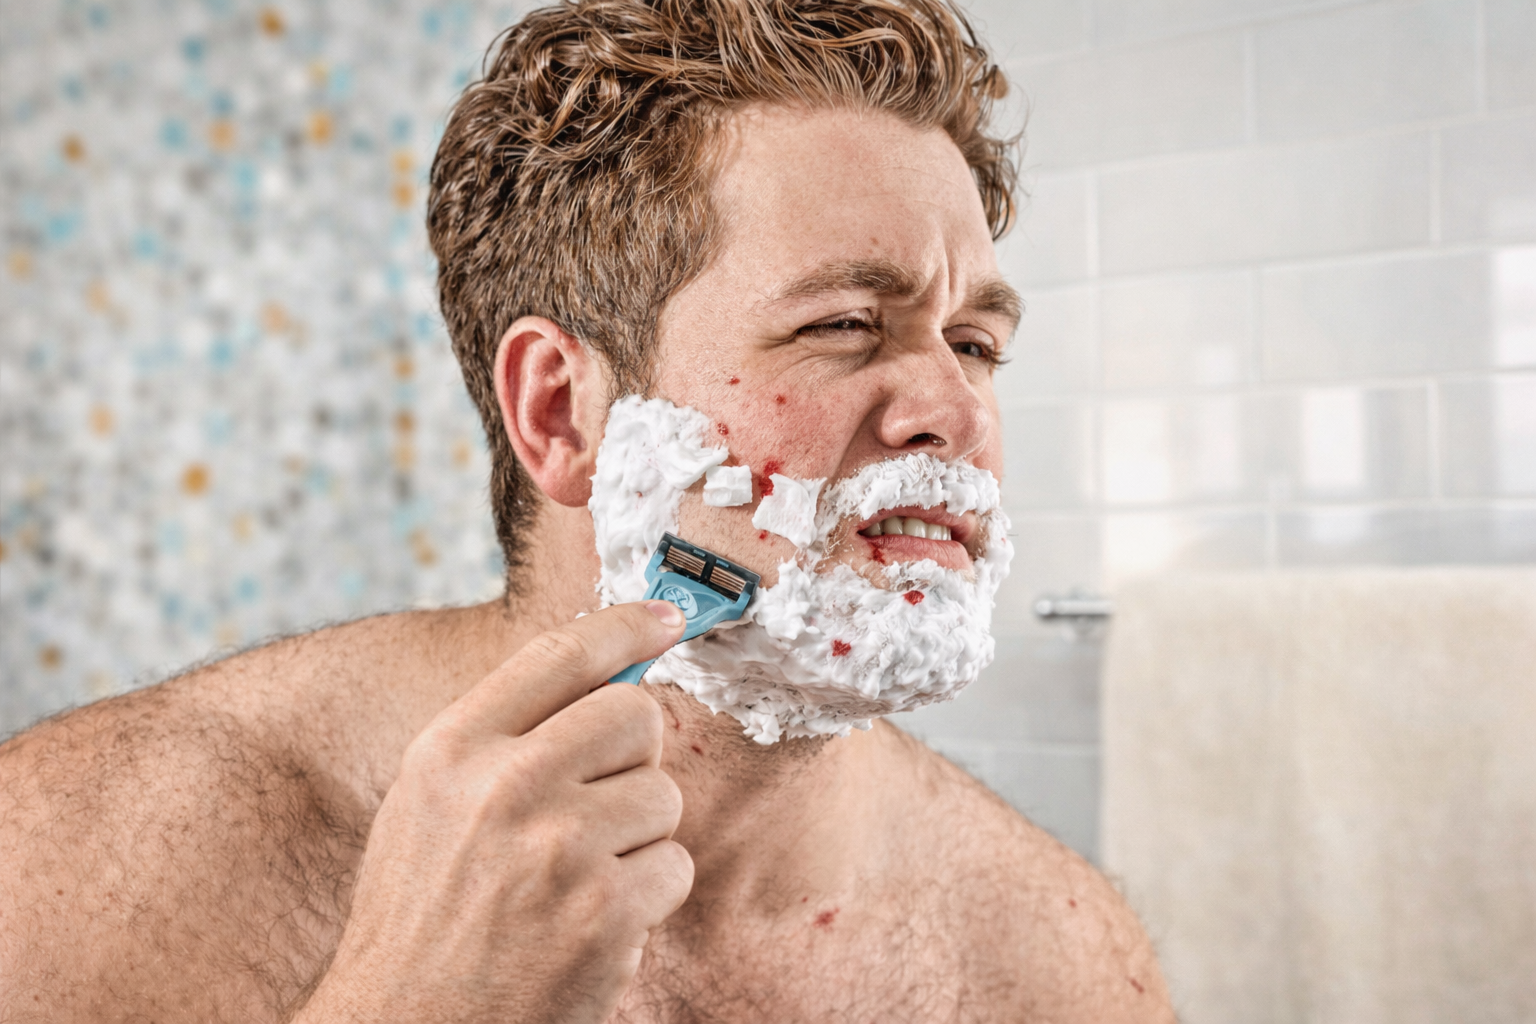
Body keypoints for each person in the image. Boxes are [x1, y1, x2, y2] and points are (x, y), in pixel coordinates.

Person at [0, 1, 1174, 1019]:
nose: (955, 412)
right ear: (563, 415)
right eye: (844, 326)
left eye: (976, 343)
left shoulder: (1048, 954)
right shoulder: (86, 860)